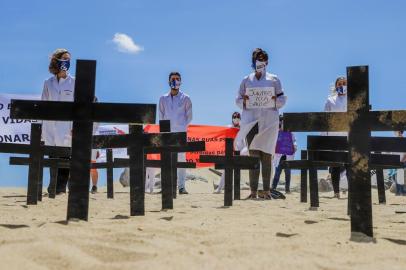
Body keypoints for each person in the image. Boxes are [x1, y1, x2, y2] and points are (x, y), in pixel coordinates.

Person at [235, 48, 287, 199]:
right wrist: (244, 101)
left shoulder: (274, 79)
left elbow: (282, 99)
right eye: (258, 58)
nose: (261, 61)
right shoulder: (246, 80)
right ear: (253, 61)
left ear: (267, 62)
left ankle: (266, 191)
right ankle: (252, 191)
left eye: (263, 58)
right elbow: (237, 99)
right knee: (253, 156)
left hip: (269, 122)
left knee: (267, 156)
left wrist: (274, 101)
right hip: (251, 122)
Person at [42, 48, 74, 195]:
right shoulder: (48, 83)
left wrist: (75, 126)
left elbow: (78, 107)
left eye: (69, 60)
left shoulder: (74, 82)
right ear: (57, 61)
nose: (66, 62)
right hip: (50, 126)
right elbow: (44, 105)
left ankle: (61, 188)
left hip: (67, 126)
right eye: (64, 59)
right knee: (52, 156)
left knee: (65, 156)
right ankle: (52, 186)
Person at [159, 71, 193, 195]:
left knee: (181, 160)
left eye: (177, 79)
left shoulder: (186, 98)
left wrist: (182, 127)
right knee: (166, 159)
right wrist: (164, 132)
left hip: (181, 133)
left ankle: (182, 187)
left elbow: (189, 117)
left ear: (181, 81)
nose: (175, 81)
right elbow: (161, 116)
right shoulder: (163, 98)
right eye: (173, 79)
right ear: (169, 81)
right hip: (167, 133)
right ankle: (166, 186)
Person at [324, 76, 348, 198]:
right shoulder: (330, 100)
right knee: (335, 165)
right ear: (336, 85)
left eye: (344, 83)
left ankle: (352, 190)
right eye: (339, 84)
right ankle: (336, 192)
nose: (341, 86)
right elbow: (324, 121)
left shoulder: (352, 100)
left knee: (349, 164)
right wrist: (325, 139)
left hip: (349, 137)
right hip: (334, 137)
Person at [213, 112, 246, 194]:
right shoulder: (228, 127)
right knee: (226, 170)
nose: (236, 119)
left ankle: (235, 188)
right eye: (234, 117)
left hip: (240, 152)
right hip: (230, 152)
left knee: (237, 170)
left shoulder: (243, 128)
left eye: (238, 117)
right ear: (232, 118)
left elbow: (245, 142)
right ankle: (219, 188)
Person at [272, 115, 297, 193]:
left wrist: (295, 147)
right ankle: (273, 188)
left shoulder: (290, 133)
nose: (281, 124)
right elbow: (273, 144)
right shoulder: (276, 132)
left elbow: (294, 141)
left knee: (288, 173)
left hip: (287, 156)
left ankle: (287, 189)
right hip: (279, 157)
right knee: (277, 173)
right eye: (280, 122)